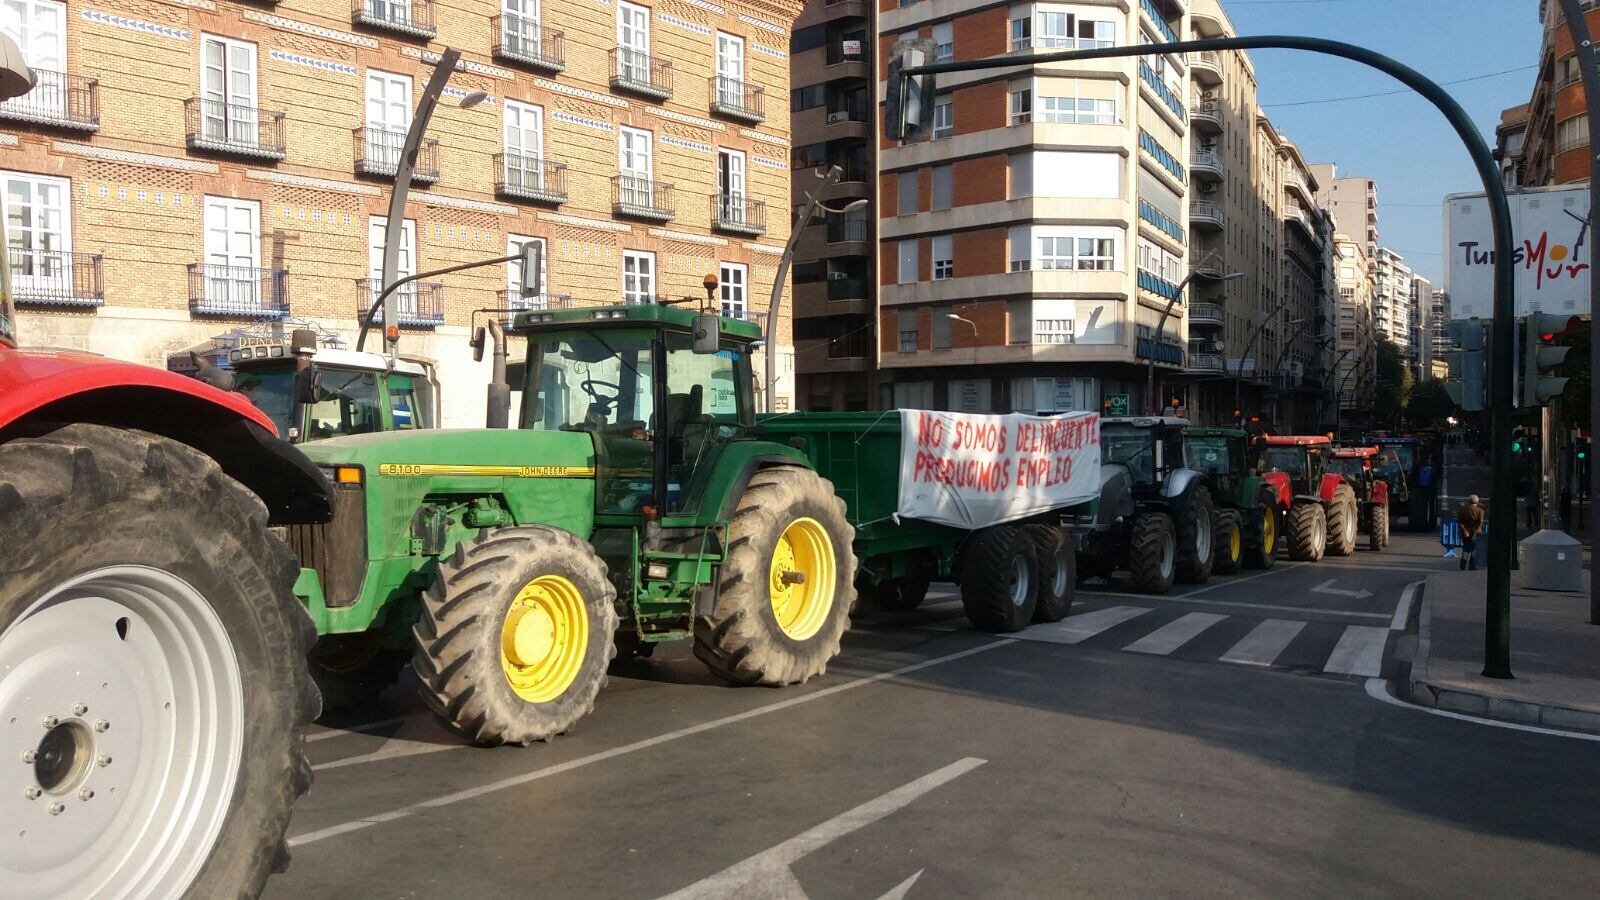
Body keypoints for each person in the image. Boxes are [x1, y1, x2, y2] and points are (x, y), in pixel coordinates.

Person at [1457, 494, 1485, 571]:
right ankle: (1472, 566)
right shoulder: (1480, 511)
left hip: (1465, 532)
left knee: (1466, 547)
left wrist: (1464, 530)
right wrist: (1475, 531)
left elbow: (1459, 522)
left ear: (1468, 501)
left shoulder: (1462, 510)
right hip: (1476, 533)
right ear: (1477, 502)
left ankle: (1462, 564)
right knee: (1474, 549)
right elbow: (1480, 523)